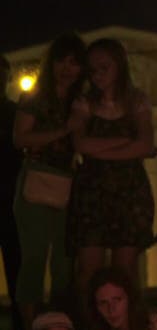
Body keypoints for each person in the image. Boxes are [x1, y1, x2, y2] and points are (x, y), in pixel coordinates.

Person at [67, 38, 155, 317]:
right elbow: (80, 144)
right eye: (92, 70)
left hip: (128, 191)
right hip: (92, 193)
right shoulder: (84, 103)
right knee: (88, 268)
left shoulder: (137, 101)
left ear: (119, 65)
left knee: (125, 269)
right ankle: (88, 323)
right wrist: (123, 143)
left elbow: (144, 143)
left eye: (104, 67)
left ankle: (130, 323)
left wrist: (101, 150)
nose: (98, 75)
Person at [13, 33, 87, 329]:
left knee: (63, 264)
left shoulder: (81, 100)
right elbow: (20, 138)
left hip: (70, 185)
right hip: (36, 183)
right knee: (33, 259)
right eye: (61, 61)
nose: (66, 68)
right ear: (51, 63)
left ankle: (59, 322)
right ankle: (31, 323)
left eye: (73, 62)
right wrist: (64, 130)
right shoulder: (35, 97)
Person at [1, 55, 24, 330]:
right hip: (11, 201)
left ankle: (21, 322)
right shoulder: (14, 112)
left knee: (17, 270)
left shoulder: (15, 113)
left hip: (13, 204)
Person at [88, 266, 157, 330]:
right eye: (103, 303)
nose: (111, 310)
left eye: (117, 300)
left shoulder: (156, 323)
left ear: (130, 298)